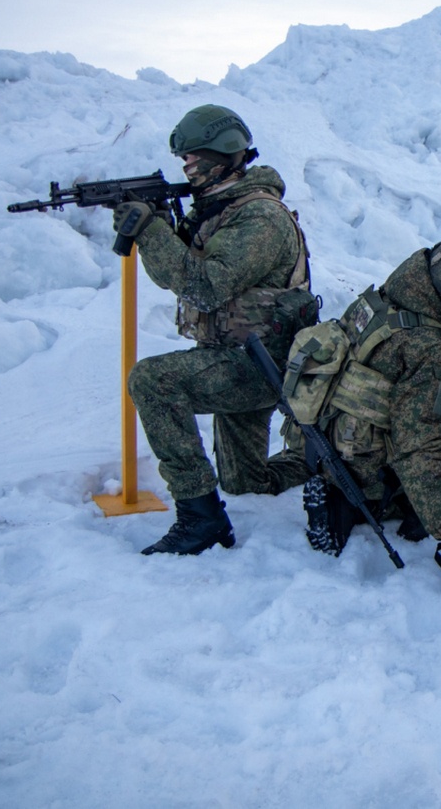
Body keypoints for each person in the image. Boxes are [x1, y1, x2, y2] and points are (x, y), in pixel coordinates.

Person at [118, 104, 315, 556]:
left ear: (219, 155)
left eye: (190, 158)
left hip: (261, 365)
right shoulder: (219, 208)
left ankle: (200, 519)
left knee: (152, 380)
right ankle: (317, 462)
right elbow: (180, 272)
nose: (185, 168)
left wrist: (151, 232)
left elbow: (203, 287)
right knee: (246, 483)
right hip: (236, 352)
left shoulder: (260, 218)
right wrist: (159, 228)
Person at [301, 232, 441, 591]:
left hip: (334, 445)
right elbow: (418, 452)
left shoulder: (392, 297)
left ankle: (345, 495)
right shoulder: (435, 351)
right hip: (379, 476)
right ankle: (405, 508)